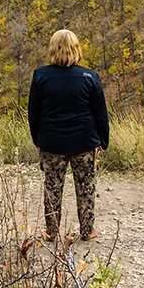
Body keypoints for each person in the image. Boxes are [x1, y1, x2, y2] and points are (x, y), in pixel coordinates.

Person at [28, 29, 109, 241]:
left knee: (52, 187)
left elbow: (33, 112)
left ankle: (52, 231)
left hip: (52, 141)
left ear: (53, 49)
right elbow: (100, 112)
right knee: (85, 187)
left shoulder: (41, 76)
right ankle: (87, 230)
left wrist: (37, 139)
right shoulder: (89, 77)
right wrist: (103, 140)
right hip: (84, 141)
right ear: (76, 48)